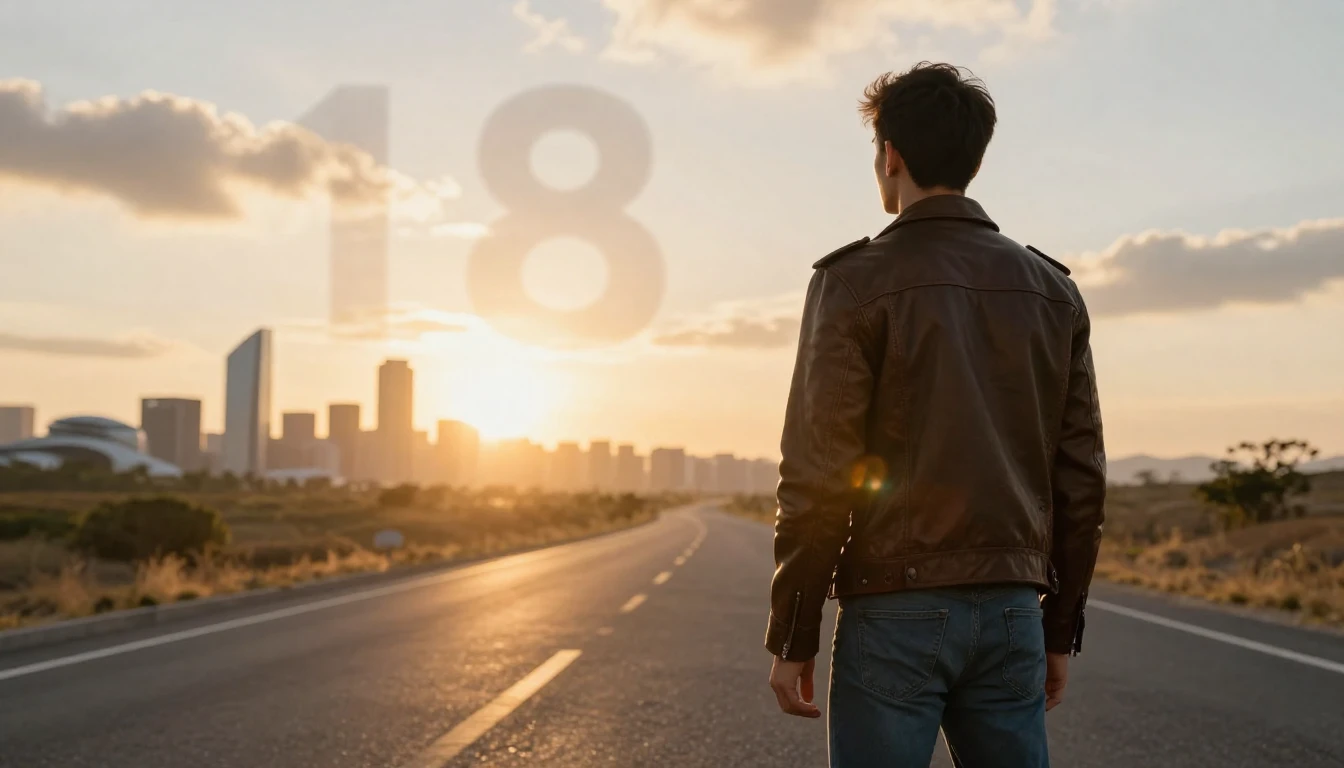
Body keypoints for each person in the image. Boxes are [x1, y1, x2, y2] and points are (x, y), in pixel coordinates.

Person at [765, 62, 1106, 767]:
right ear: (975, 157)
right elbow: (1081, 478)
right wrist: (1058, 629)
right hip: (1014, 608)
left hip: (895, 610)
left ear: (890, 156)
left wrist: (795, 634)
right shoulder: (1052, 290)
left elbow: (820, 473)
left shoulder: (852, 282)